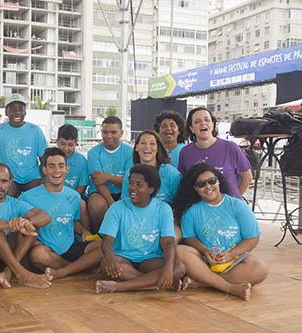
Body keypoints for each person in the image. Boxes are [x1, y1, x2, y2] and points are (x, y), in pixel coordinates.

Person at [175, 163, 268, 301]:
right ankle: (229, 288)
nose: (208, 187)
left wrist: (230, 254)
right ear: (195, 188)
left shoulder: (238, 205)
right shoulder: (191, 211)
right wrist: (205, 250)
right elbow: (190, 238)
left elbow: (252, 238)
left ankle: (201, 281)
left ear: (218, 181)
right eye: (201, 184)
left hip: (234, 259)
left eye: (212, 181)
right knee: (179, 251)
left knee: (261, 269)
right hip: (204, 259)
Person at [95, 164, 186, 294]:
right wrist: (109, 257)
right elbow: (107, 241)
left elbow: (168, 242)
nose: (132, 188)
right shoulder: (117, 208)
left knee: (179, 267)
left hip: (150, 260)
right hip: (123, 258)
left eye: (139, 185)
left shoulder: (163, 208)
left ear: (151, 189)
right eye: (131, 183)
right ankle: (155, 283)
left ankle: (120, 287)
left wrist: (168, 267)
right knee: (106, 265)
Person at [0, 163, 53, 289]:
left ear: (10, 183)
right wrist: (9, 225)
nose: (0, 186)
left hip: (8, 259)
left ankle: (8, 271)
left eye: (4, 181)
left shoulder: (16, 203)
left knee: (32, 227)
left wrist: (26, 222)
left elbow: (45, 216)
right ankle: (21, 273)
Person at [20, 148, 101, 280]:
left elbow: (72, 222)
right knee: (38, 255)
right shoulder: (27, 197)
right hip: (47, 250)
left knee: (105, 246)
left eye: (61, 166)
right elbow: (21, 230)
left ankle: (64, 271)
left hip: (69, 247)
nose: (57, 170)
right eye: (51, 166)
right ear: (44, 170)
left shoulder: (74, 196)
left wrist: (84, 231)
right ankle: (80, 268)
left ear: (66, 169)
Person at [178, 107, 253, 199]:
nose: (203, 123)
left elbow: (247, 178)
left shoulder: (231, 147)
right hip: (201, 208)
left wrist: (235, 199)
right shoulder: (185, 153)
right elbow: (185, 183)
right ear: (191, 128)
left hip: (229, 208)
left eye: (207, 120)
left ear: (213, 124)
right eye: (197, 122)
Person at [0, 94, 47, 197]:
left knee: (35, 200)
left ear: (25, 112)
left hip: (32, 177)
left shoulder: (35, 130)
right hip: (9, 177)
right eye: (13, 109)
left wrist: (44, 179)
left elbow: (44, 159)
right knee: (6, 199)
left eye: (20, 109)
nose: (17, 112)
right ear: (6, 112)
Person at [87, 116, 132, 233]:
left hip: (124, 192)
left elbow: (129, 182)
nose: (109, 136)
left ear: (121, 133)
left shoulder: (130, 152)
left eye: (113, 132)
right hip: (100, 193)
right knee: (97, 205)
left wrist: (107, 177)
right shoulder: (94, 153)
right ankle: (98, 235)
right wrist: (112, 203)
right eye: (105, 132)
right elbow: (98, 182)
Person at [121, 130, 181, 206]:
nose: (147, 147)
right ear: (136, 147)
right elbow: (126, 202)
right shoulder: (130, 173)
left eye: (152, 143)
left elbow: (181, 203)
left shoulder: (171, 173)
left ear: (157, 149)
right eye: (143, 143)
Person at [56, 124, 90, 232]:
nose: (66, 148)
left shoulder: (81, 161)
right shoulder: (51, 158)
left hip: (75, 195)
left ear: (76, 143)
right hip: (53, 195)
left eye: (70, 145)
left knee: (81, 204)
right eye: (62, 144)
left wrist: (69, 198)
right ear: (57, 142)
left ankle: (87, 233)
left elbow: (82, 185)